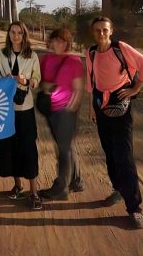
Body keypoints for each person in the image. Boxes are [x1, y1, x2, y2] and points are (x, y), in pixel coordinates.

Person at [86, 16, 143, 229]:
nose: (101, 34)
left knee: (124, 155)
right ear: (93, 33)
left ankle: (134, 208)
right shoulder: (91, 52)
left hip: (121, 103)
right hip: (100, 104)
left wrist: (135, 90)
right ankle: (119, 188)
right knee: (109, 151)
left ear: (111, 31)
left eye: (105, 30)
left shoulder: (120, 48)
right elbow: (92, 81)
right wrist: (92, 107)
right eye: (97, 30)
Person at [0, 21, 42, 210]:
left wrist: (26, 80)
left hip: (25, 110)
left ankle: (34, 192)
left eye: (19, 32)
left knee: (28, 149)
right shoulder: (1, 55)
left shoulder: (32, 56)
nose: (16, 36)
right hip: (6, 109)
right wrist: (7, 79)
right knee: (11, 148)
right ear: (9, 34)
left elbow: (37, 80)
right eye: (12, 32)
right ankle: (18, 186)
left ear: (24, 35)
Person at [39, 27, 84, 201]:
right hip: (51, 109)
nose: (59, 44)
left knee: (63, 149)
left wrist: (70, 110)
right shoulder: (46, 59)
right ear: (50, 41)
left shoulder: (73, 61)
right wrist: (47, 87)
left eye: (63, 41)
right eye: (56, 40)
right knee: (67, 145)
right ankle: (77, 180)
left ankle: (61, 187)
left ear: (67, 43)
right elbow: (42, 83)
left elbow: (78, 89)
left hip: (66, 110)